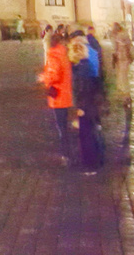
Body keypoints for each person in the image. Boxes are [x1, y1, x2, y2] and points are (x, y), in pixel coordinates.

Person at [68, 34, 102, 174]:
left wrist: (80, 108)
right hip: (89, 105)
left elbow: (82, 90)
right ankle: (94, 161)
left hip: (85, 107)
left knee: (86, 136)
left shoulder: (81, 69)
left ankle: (91, 164)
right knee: (89, 134)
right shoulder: (85, 66)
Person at [41, 31, 73, 164]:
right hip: (65, 93)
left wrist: (44, 78)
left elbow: (54, 75)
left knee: (61, 126)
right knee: (64, 124)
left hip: (58, 95)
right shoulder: (64, 53)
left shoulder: (53, 55)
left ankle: (65, 153)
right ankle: (67, 151)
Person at [110, 22, 134, 108]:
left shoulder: (117, 37)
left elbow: (114, 50)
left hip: (121, 60)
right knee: (124, 79)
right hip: (125, 60)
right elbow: (132, 49)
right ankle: (125, 96)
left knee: (123, 79)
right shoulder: (125, 36)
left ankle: (126, 97)